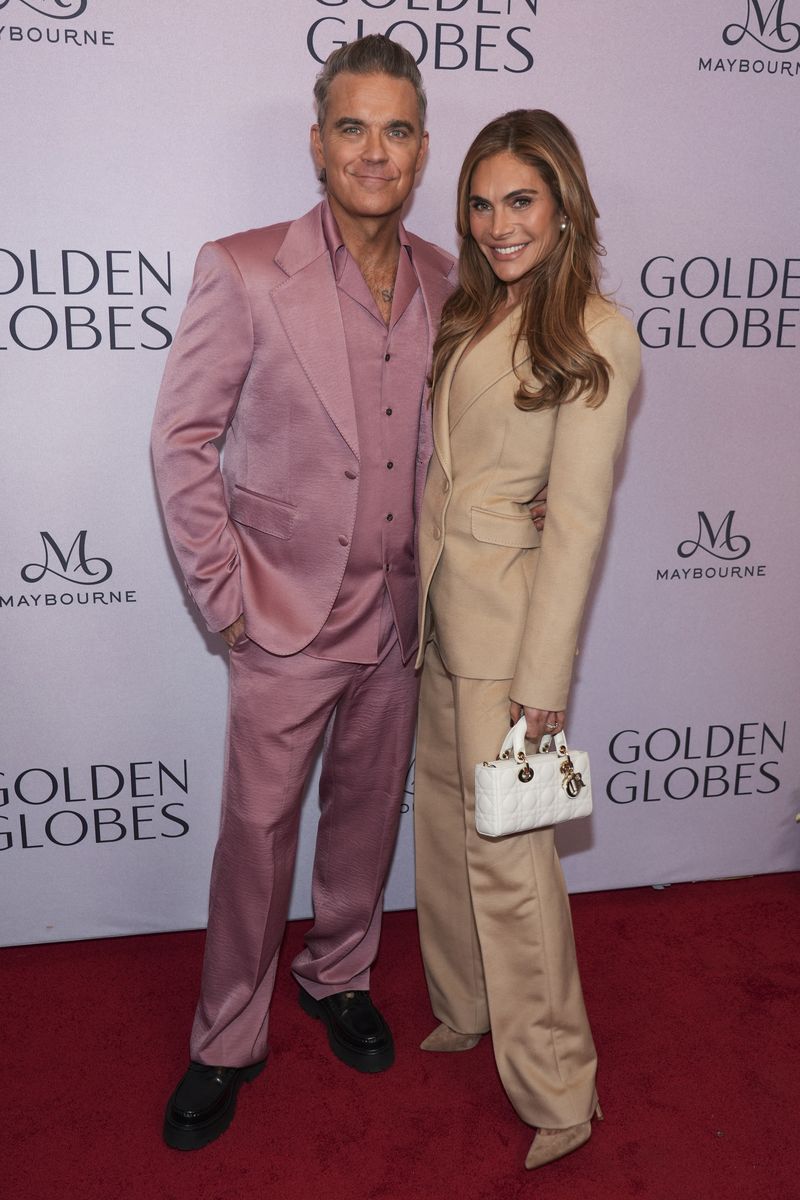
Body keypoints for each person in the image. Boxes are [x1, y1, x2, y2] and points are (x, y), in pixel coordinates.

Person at [151, 35, 458, 1150]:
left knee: (367, 816)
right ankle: (225, 1035)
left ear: (421, 148)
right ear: (318, 142)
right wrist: (223, 596)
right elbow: (181, 439)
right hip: (279, 613)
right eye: (351, 127)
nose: (373, 150)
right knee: (256, 834)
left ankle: (337, 972)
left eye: (395, 129)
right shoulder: (240, 268)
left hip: (397, 611)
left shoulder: (444, 278)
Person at [413, 109, 641, 1171]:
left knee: (513, 861)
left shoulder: (593, 331)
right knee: (448, 823)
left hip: (512, 635)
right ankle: (462, 1001)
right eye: (481, 200)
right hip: (439, 611)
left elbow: (580, 518)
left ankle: (558, 1084)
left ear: (562, 208)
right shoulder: (467, 314)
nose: (499, 222)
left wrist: (544, 684)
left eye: (520, 201)